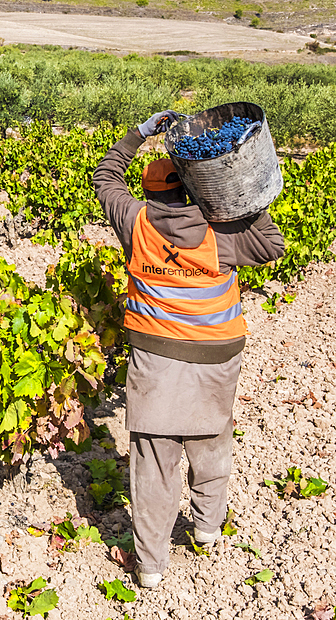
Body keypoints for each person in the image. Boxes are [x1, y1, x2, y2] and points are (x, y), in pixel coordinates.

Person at [93, 110, 285, 589]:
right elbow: (274, 244)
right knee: (212, 441)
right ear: (194, 189)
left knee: (154, 462)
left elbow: (105, 174)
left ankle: (152, 566)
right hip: (217, 357)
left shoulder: (133, 222)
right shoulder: (223, 234)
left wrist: (139, 132)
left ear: (150, 192)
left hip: (156, 362)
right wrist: (234, 192)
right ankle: (206, 529)